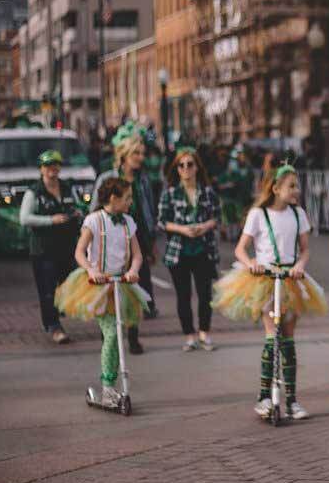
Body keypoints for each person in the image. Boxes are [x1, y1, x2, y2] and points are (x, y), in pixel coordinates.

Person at [213, 164, 326, 420]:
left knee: (288, 339)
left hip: (290, 279)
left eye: (297, 186)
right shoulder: (258, 214)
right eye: (291, 186)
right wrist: (250, 263)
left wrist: (299, 265)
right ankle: (264, 396)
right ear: (275, 188)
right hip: (265, 279)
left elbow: (305, 249)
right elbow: (241, 249)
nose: (296, 191)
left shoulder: (298, 214)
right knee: (270, 336)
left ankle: (292, 400)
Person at [55, 178, 149, 409]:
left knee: (119, 333)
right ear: (114, 199)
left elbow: (137, 254)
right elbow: (79, 252)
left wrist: (134, 270)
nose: (130, 202)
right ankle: (108, 387)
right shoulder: (94, 221)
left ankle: (112, 386)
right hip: (97, 285)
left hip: (120, 283)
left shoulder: (128, 222)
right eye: (127, 198)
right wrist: (91, 269)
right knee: (112, 333)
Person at [92, 134, 157, 351]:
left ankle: (133, 335)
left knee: (135, 287)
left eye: (142, 154)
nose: (140, 158)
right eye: (136, 153)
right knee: (110, 289)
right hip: (112, 234)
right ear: (124, 155)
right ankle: (109, 335)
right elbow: (94, 207)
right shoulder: (108, 178)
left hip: (136, 234)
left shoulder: (143, 180)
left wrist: (151, 239)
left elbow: (149, 210)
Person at [158, 147, 220, 352]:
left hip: (203, 249)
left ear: (197, 167)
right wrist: (182, 229)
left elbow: (218, 217)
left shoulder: (208, 192)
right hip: (179, 251)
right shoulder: (170, 193)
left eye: (190, 164)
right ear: (176, 169)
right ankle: (189, 336)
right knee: (183, 295)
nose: (185, 169)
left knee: (205, 294)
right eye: (181, 165)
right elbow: (162, 221)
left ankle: (204, 333)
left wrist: (204, 226)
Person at [19, 150, 83, 344]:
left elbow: (78, 206)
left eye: (55, 165)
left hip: (67, 245)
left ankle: (59, 311)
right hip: (43, 249)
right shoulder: (34, 192)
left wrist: (77, 213)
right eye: (47, 166)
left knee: (70, 283)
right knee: (47, 289)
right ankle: (54, 326)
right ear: (41, 169)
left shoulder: (67, 187)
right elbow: (24, 218)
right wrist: (50, 220)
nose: (52, 169)